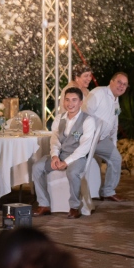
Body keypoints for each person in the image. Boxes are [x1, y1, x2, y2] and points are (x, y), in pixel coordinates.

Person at [32, 88, 97, 219]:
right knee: (37, 167)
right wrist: (55, 156)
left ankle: (74, 207)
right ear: (63, 102)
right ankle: (44, 205)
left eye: (74, 100)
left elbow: (84, 147)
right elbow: (55, 139)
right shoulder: (59, 118)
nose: (70, 103)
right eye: (67, 100)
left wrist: (66, 162)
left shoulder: (88, 120)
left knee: (72, 172)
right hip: (60, 154)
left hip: (77, 157)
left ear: (80, 102)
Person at [83, 72, 128, 202]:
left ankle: (108, 192)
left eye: (124, 84)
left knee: (115, 159)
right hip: (87, 137)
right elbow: (84, 113)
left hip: (102, 140)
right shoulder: (98, 93)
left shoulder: (116, 102)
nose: (121, 86)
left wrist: (113, 144)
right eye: (119, 82)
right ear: (111, 81)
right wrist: (89, 134)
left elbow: (115, 125)